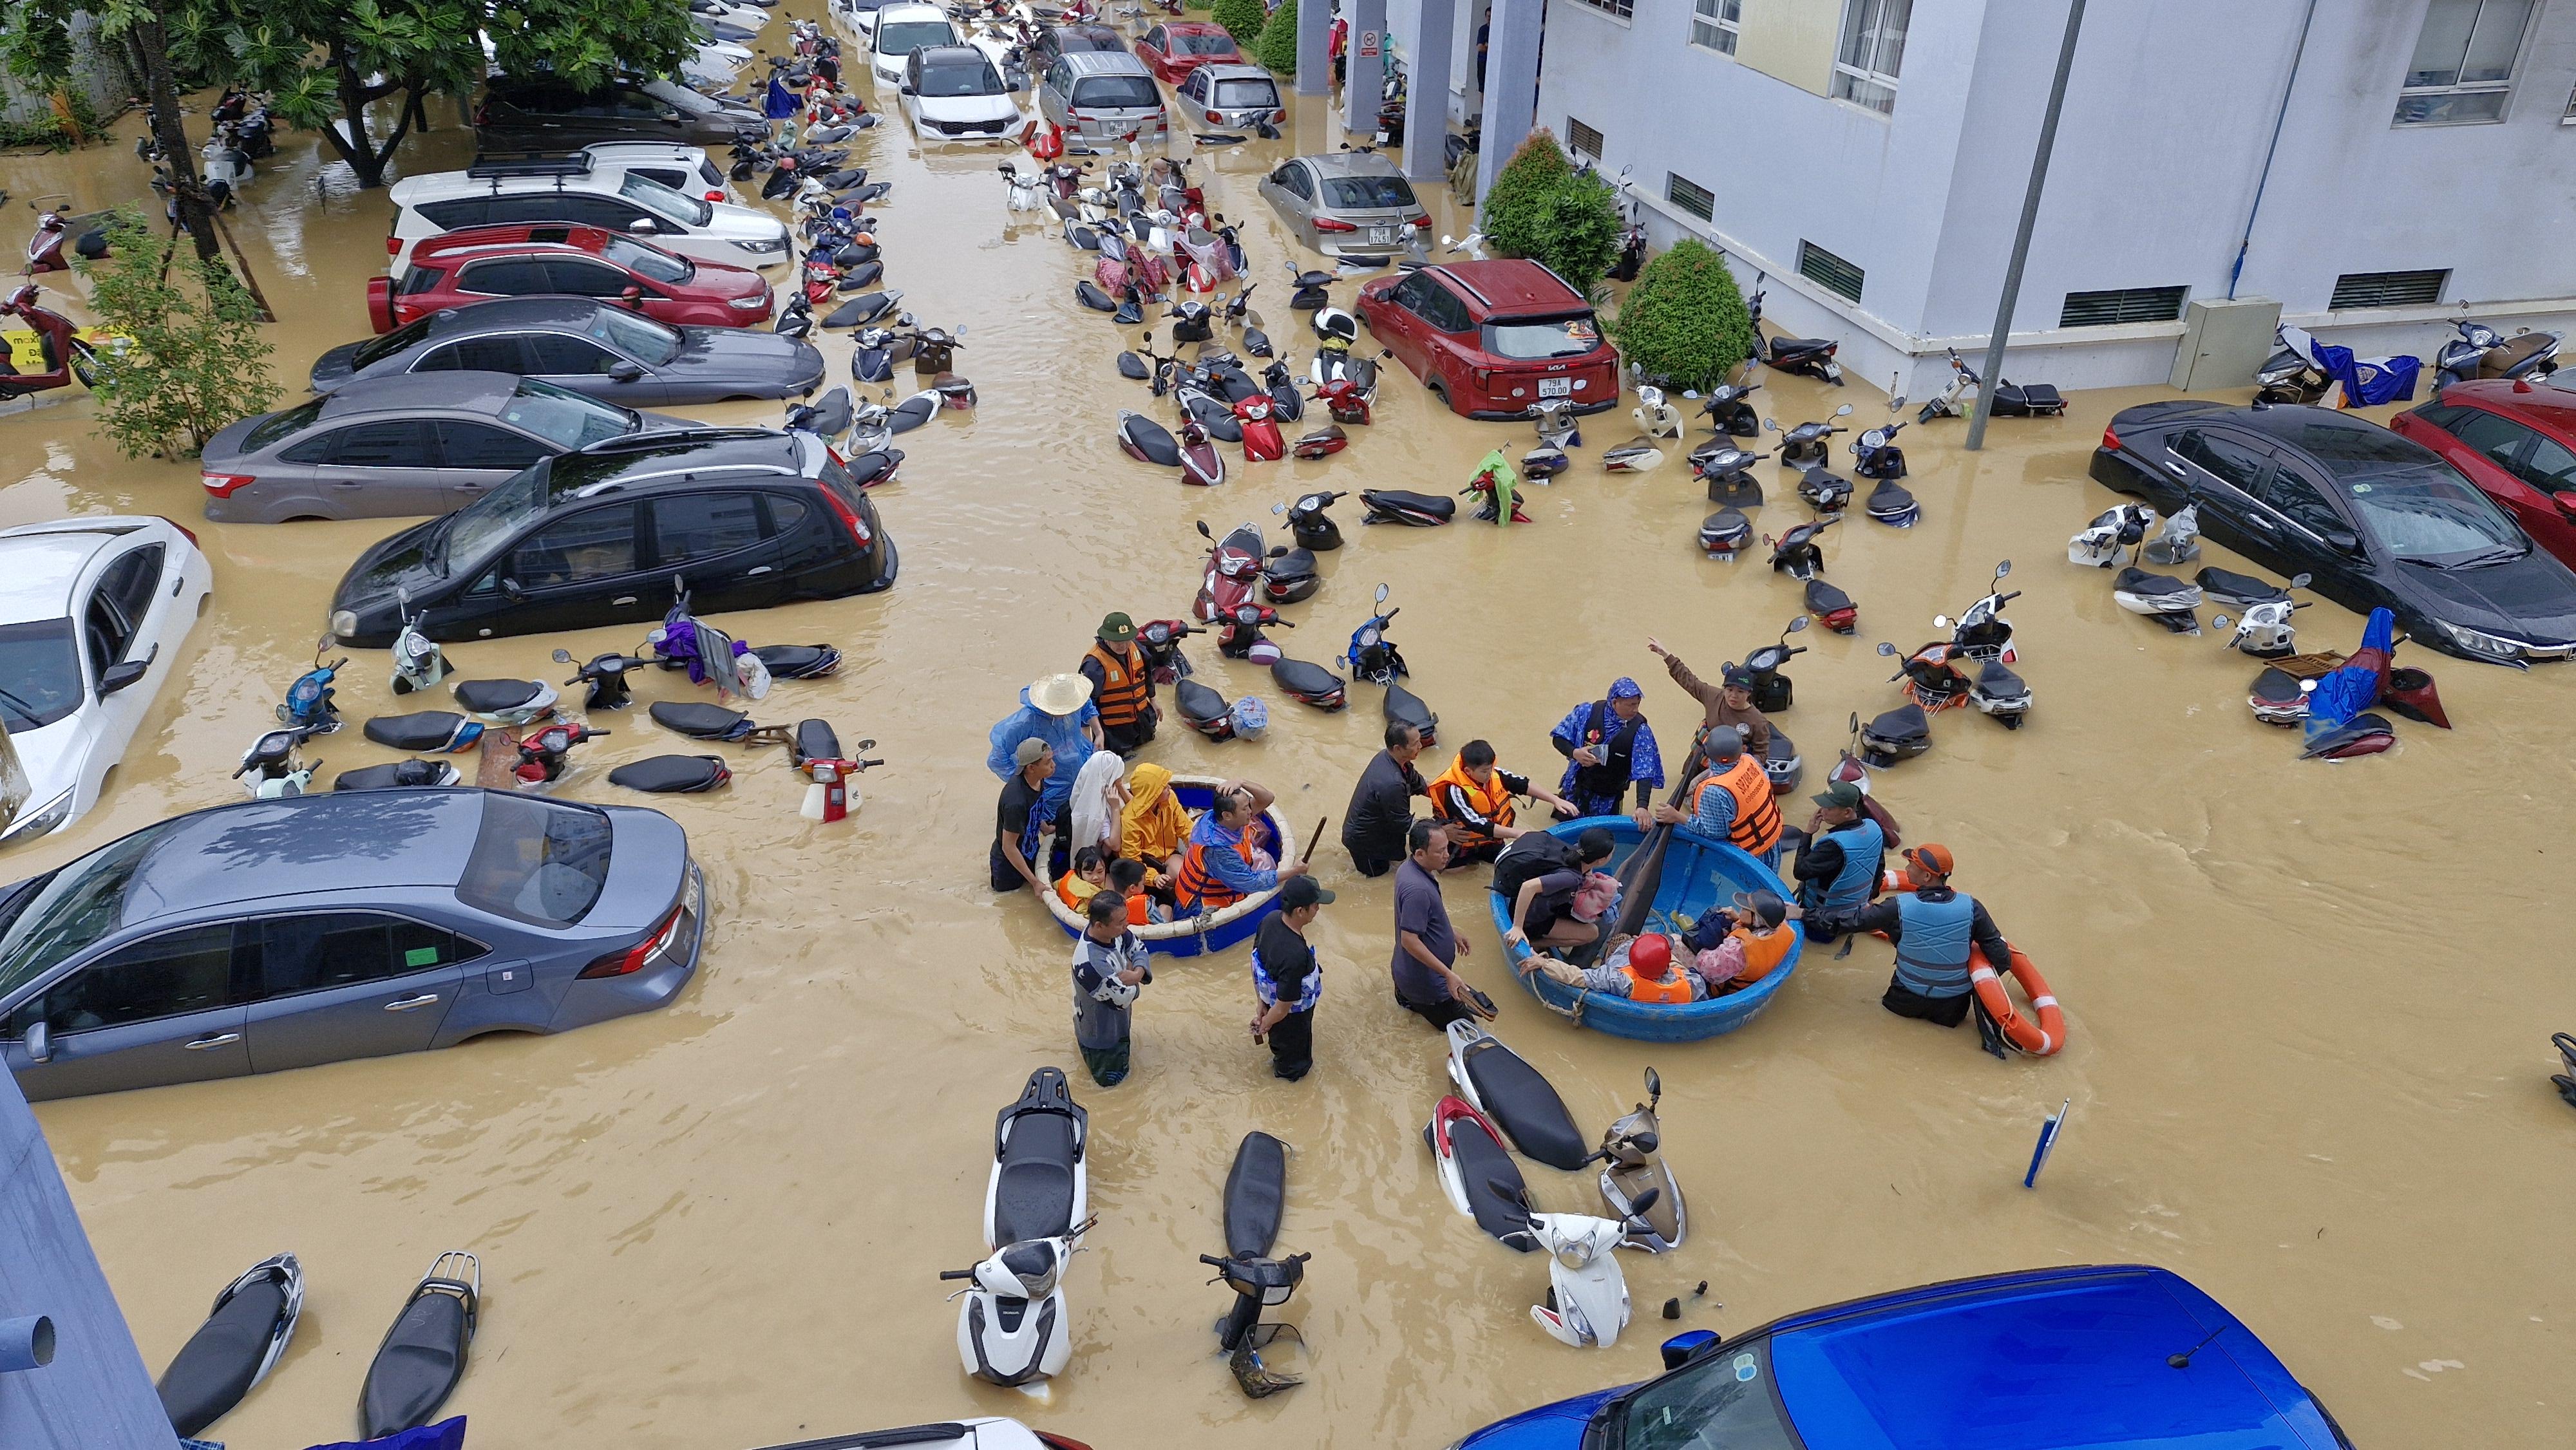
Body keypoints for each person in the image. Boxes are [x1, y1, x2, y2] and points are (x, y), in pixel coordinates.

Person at [1833, 845, 2012, 1030]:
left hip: (1904, 1000)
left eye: (1911, 865)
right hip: (1951, 1010)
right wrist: (1979, 977)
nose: (1907, 869)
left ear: (1927, 877)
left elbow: (1852, 921)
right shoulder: (1973, 908)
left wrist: (1807, 915)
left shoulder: (1897, 906)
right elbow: (2002, 959)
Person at [987, 673, 1103, 872]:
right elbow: (997, 759)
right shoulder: (1025, 723)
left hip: (1078, 774)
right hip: (1050, 792)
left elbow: (1086, 706)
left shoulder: (1075, 703)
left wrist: (1098, 732)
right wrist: (1026, 785)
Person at [1392, 822, 1482, 1028]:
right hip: (1429, 988)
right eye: (1440, 851)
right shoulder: (1418, 891)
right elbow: (1409, 940)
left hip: (1405, 973)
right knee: (1470, 1031)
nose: (1447, 855)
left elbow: (1426, 916)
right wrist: (1448, 974)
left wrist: (1451, 933)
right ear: (1420, 854)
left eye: (1447, 848)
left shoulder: (1408, 868)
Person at [1428, 739, 1575, 864]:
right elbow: (1476, 823)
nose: (1489, 774)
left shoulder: (1495, 774)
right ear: (1468, 771)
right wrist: (1517, 833)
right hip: (1462, 843)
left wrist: (1554, 799)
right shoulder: (1455, 790)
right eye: (1484, 771)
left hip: (1492, 840)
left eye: (1491, 768)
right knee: (1456, 873)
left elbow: (1522, 784)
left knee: (1502, 862)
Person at [1653, 726, 1782, 867]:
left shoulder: (1714, 791)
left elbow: (1714, 833)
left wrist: (1676, 817)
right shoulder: (1750, 760)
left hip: (1749, 857)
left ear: (1708, 756)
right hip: (1772, 844)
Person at [1175, 780, 1307, 913]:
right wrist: (1294, 872)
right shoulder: (1218, 848)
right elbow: (1251, 882)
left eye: (1248, 805)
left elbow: (1267, 798)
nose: (1251, 811)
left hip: (1222, 885)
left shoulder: (1222, 819)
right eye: (1245, 808)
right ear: (1227, 815)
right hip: (1198, 903)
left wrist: (1241, 782)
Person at [1250, 876, 1333, 1081]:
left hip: (1271, 1007)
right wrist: (1265, 1024)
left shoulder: (1270, 920)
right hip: (1291, 1021)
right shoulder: (1295, 956)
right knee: (1295, 1069)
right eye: (1315, 905)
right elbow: (1283, 1008)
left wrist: (1261, 1005)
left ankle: (1279, 1059)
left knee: (1280, 1047)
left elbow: (1255, 962)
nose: (1318, 909)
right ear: (1300, 911)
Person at [1550, 678, 1663, 826]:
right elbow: (1558, 738)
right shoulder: (1586, 713)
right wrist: (1575, 753)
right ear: (1615, 702)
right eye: (1631, 705)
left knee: (1602, 838)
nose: (1635, 710)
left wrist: (1642, 806)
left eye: (1638, 704)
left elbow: (1646, 771)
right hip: (1575, 790)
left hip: (1608, 798)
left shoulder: (1641, 731)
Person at [1646, 637, 1772, 761]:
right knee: (1694, 783)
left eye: (1740, 692)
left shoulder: (1758, 721)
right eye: (1729, 690)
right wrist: (1665, 654)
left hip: (1735, 766)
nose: (1734, 696)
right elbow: (1689, 681)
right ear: (1724, 689)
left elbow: (1761, 754)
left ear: (1749, 693)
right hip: (1704, 759)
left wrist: (1747, 760)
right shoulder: (1713, 696)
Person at [1792, 780, 1888, 940]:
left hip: (1822, 922)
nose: (1822, 812)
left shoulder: (1833, 846)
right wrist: (1869, 898)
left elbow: (1800, 871)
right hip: (1855, 915)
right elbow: (1879, 869)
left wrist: (1808, 833)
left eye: (1829, 808)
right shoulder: (1874, 828)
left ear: (1847, 812)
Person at [1071, 893, 1150, 1086]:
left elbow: (1138, 947)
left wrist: (1136, 974)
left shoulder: (1114, 932)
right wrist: (1134, 979)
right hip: (1101, 1040)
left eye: (1126, 918)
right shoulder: (1091, 964)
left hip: (1116, 1024)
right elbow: (1123, 998)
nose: (1127, 925)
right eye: (1122, 922)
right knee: (1113, 1088)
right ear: (1099, 925)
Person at [1501, 826, 1615, 954]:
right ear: (1600, 861)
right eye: (1611, 854)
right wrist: (1517, 927)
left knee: (1597, 917)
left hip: (1535, 901)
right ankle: (1535, 944)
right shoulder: (1571, 877)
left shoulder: (1573, 850)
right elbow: (1528, 887)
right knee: (1592, 933)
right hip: (1530, 917)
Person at [1342, 720, 1428, 876]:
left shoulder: (1391, 757)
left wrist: (1441, 792)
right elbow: (1403, 824)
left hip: (1382, 829)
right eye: (1416, 744)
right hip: (1365, 843)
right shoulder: (1392, 784)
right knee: (1379, 876)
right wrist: (1439, 832)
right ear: (1398, 748)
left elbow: (1417, 782)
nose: (1421, 746)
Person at [1525, 930, 1704, 1003]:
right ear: (1666, 966)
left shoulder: (1618, 980)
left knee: (1624, 939)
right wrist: (1667, 957)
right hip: (1665, 988)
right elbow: (1678, 971)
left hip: (1623, 973)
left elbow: (1575, 976)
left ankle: (1628, 943)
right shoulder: (1691, 984)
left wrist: (1544, 963)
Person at [1690, 890, 1801, 995]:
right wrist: (1738, 920)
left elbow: (1708, 971)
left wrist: (1703, 949)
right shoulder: (1786, 929)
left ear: (1756, 919)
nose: (1741, 910)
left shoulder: (1738, 949)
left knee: (1678, 943)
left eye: (1745, 909)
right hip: (1754, 978)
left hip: (1727, 991)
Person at [1081, 613, 1159, 756]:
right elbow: (1087, 703)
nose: (1123, 645)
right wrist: (1092, 734)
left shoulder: (1136, 648)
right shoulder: (1094, 665)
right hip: (1114, 730)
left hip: (1142, 719)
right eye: (1118, 642)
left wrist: (1153, 700)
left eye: (1126, 640)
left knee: (1151, 751)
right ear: (1106, 639)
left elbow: (1146, 675)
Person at [992, 739, 1057, 899]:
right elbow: (1009, 847)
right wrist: (1035, 883)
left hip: (1029, 851)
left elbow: (1034, 809)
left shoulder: (1037, 780)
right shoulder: (1016, 802)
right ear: (1031, 768)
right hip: (1009, 866)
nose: (1053, 765)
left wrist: (1045, 828)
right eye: (1048, 762)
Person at [1121, 762, 1191, 899]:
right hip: (1145, 867)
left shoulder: (1170, 799)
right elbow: (1132, 860)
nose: (1169, 788)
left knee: (1186, 875)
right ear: (1152, 794)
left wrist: (1199, 849)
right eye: (1164, 787)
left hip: (1169, 856)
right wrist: (1154, 878)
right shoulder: (1130, 820)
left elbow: (1186, 827)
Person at [1107, 856, 1162, 924]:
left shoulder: (1107, 903)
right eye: (1143, 883)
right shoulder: (1146, 905)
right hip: (1145, 932)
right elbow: (1161, 924)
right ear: (1132, 888)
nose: (1144, 886)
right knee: (1166, 908)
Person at [1056, 845, 1109, 910]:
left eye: (1100, 872)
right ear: (1079, 872)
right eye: (1089, 873)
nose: (1095, 877)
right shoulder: (1088, 895)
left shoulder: (1071, 875)